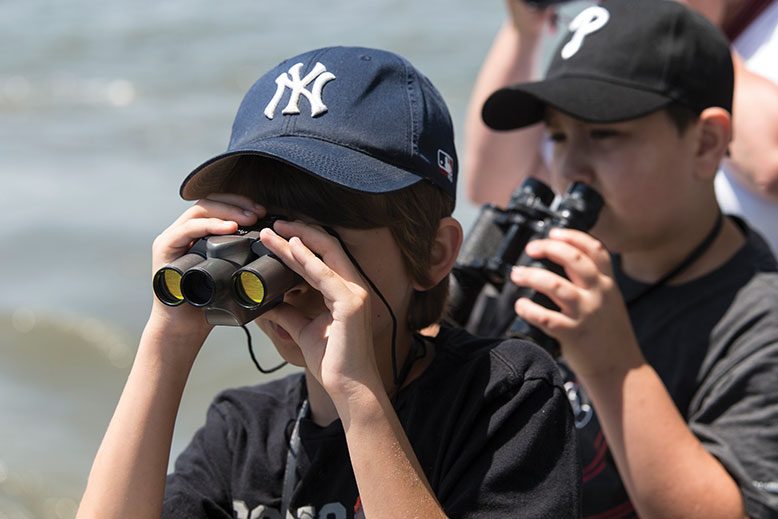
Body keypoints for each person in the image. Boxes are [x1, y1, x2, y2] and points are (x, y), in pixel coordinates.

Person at [76, 46, 582, 518]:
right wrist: (167, 341)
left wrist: (357, 394)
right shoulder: (243, 431)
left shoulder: (505, 396)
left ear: (433, 253)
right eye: (260, 237)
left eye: (319, 243)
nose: (290, 273)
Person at [479, 1, 778, 517]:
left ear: (706, 143)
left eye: (604, 134)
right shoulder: (543, 268)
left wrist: (612, 364)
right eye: (557, 136)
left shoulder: (760, 324)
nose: (571, 167)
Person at [465, 0, 778, 256]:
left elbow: (770, 165)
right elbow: (494, 189)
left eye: (603, 132)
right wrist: (523, 30)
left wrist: (684, 26)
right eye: (558, 135)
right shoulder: (604, 28)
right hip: (618, 285)